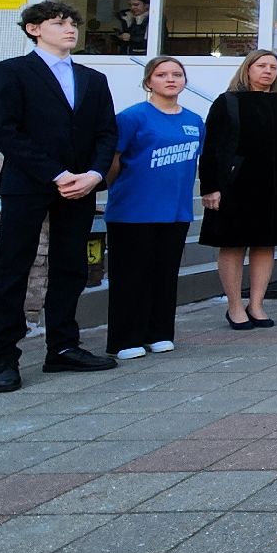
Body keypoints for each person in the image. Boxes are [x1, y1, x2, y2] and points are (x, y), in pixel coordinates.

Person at [0, 0, 119, 393]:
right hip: (28, 183)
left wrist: (93, 174)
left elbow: (106, 132)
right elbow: (5, 130)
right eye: (59, 23)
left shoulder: (93, 79)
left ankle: (62, 347)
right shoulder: (10, 71)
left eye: (73, 22)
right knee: (13, 268)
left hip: (80, 186)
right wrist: (57, 174)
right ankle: (4, 358)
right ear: (33, 29)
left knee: (71, 266)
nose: (70, 28)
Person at [200, 49, 277, 330]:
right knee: (234, 244)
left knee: (265, 244)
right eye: (261, 65)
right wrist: (210, 187)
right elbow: (211, 147)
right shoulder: (228, 102)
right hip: (236, 184)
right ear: (248, 69)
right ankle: (234, 306)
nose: (268, 71)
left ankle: (257, 304)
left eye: (273, 66)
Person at [104, 56, 204, 360]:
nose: (170, 79)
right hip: (133, 211)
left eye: (177, 74)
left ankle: (159, 332)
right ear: (149, 82)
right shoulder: (132, 117)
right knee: (131, 277)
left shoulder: (194, 120)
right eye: (162, 75)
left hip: (175, 211)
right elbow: (113, 162)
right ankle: (125, 339)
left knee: (165, 274)